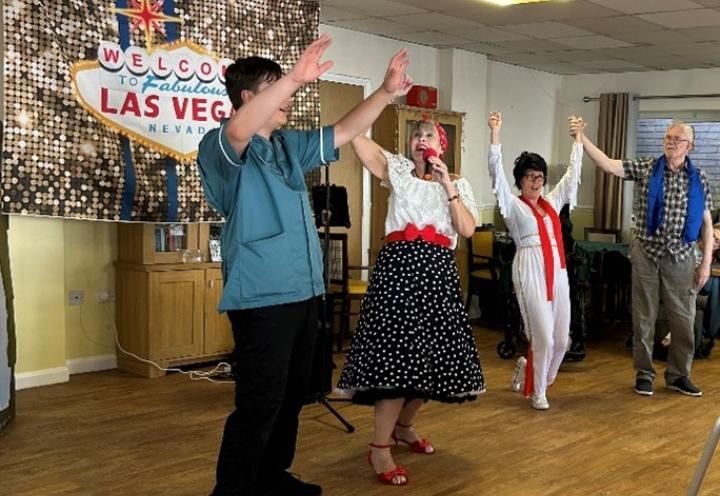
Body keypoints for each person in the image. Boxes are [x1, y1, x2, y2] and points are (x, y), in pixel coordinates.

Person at [197, 34, 413, 496]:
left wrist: (385, 92)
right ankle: (233, 489)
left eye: (289, 90)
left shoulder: (286, 146)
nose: (289, 100)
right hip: (261, 300)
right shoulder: (222, 145)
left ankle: (272, 478)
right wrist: (294, 77)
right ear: (249, 97)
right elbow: (238, 131)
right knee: (260, 402)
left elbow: (343, 132)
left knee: (294, 395)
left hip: (303, 293)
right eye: (279, 91)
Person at [337, 119, 485, 486]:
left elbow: (466, 230)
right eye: (416, 136)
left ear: (442, 145)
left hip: (436, 275)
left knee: (433, 362)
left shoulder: (458, 184)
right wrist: (379, 98)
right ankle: (379, 447)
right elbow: (356, 136)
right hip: (399, 272)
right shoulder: (398, 170)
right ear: (409, 144)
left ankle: (404, 427)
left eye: (428, 135)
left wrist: (447, 184)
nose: (421, 140)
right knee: (396, 363)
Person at [570, 117, 714, 397]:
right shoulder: (647, 167)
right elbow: (608, 164)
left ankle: (678, 375)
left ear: (690, 146)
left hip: (682, 257)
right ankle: (644, 373)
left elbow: (707, 225)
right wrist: (581, 137)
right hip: (646, 253)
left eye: (677, 139)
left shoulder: (700, 180)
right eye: (668, 137)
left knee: (683, 320)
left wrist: (705, 263)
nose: (670, 142)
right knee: (643, 318)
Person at [487, 112, 584, 410]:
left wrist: (577, 140)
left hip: (557, 269)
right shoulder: (514, 207)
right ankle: (538, 392)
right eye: (530, 177)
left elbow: (571, 177)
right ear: (521, 180)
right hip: (529, 268)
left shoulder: (551, 203)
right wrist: (495, 134)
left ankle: (534, 373)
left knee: (561, 340)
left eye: (540, 177)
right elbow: (496, 175)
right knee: (542, 336)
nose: (536, 181)